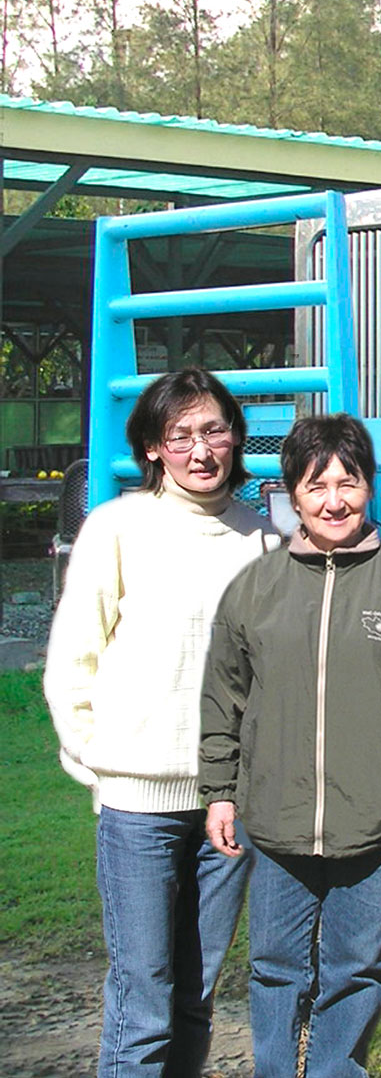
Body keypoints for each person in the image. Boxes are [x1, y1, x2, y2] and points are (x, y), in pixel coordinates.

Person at [201, 414, 381, 1077]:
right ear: (292, 493)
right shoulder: (255, 588)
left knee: (357, 972)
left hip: (376, 823)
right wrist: (220, 792)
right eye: (315, 485)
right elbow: (222, 698)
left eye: (347, 483)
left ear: (368, 487)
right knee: (275, 969)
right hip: (277, 822)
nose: (333, 501)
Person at [44, 366, 283, 1078]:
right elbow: (73, 658)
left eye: (214, 430)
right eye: (180, 435)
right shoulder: (116, 527)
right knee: (142, 999)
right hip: (138, 805)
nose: (200, 450)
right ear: (152, 446)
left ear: (236, 437)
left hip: (228, 807)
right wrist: (100, 760)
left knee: (195, 995)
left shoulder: (263, 541)